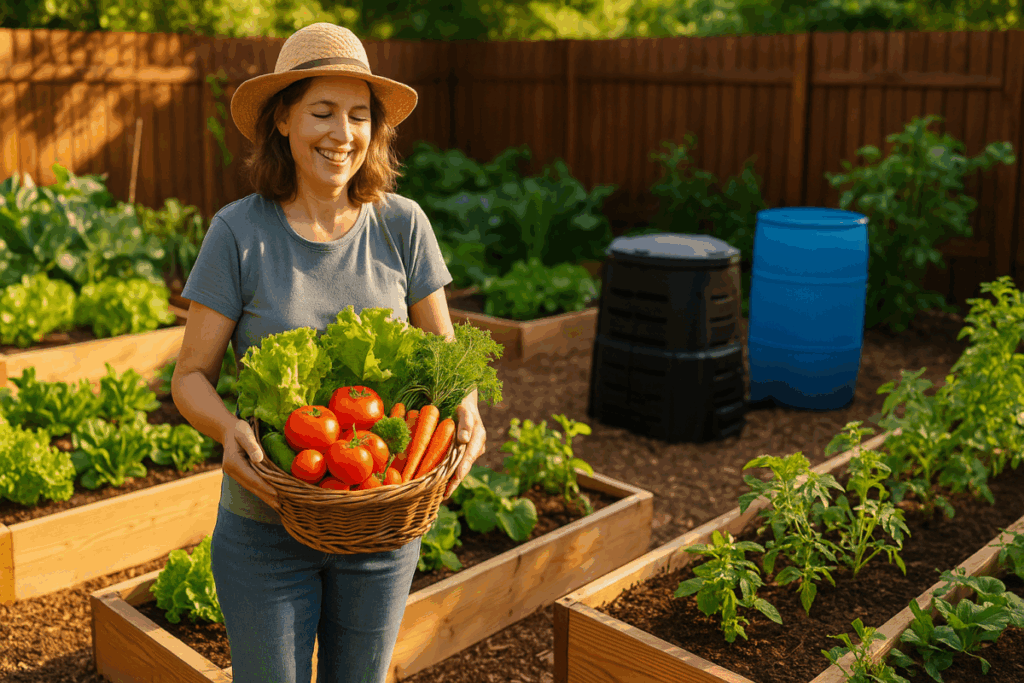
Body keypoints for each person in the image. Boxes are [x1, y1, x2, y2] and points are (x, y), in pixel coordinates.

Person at [171, 22, 488, 683]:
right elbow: (191, 377)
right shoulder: (239, 232)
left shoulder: (403, 225)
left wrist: (469, 414)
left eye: (358, 115)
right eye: (322, 112)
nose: (341, 134)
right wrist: (225, 426)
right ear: (283, 119)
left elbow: (446, 364)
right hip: (264, 528)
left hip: (381, 526)